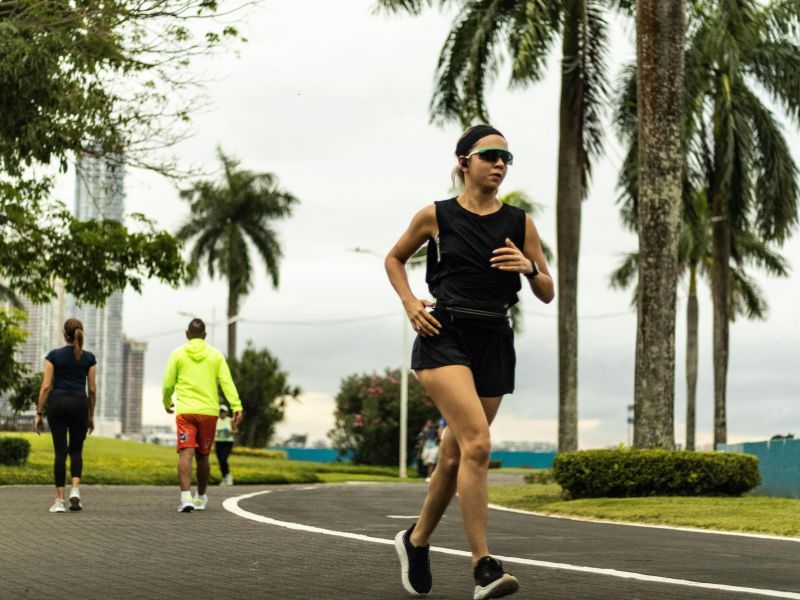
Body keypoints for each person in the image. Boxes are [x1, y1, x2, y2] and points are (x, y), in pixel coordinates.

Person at [385, 124, 554, 599]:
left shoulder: (519, 222)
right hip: (445, 334)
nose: (499, 164)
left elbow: (546, 290)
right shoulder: (436, 216)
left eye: (506, 158)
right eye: (489, 156)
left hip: (495, 337)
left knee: (456, 453)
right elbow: (394, 259)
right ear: (464, 162)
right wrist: (410, 303)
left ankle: (416, 542)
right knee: (478, 442)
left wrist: (531, 269)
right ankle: (484, 565)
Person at [162, 318, 242, 512]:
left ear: (187, 334)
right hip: (208, 412)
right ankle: (201, 497)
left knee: (185, 452)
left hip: (186, 412)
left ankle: (185, 498)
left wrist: (167, 401)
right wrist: (236, 406)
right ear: (205, 335)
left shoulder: (177, 354)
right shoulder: (215, 355)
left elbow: (167, 382)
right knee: (203, 456)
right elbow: (226, 382)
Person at [34, 318, 97, 513]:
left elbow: (46, 386)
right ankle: (75, 490)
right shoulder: (89, 358)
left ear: (64, 334)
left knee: (60, 453)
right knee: (76, 451)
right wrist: (90, 415)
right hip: (79, 404)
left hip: (58, 404)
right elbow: (92, 390)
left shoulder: (53, 356)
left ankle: (59, 500)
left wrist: (38, 413)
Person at [215, 403, 237, 485]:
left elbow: (236, 430)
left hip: (228, 442)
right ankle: (224, 477)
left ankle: (228, 475)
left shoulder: (230, 420)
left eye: (223, 412)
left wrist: (230, 432)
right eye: (220, 412)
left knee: (223, 459)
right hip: (218, 442)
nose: (222, 413)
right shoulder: (216, 420)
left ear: (226, 412)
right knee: (220, 461)